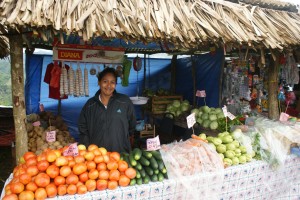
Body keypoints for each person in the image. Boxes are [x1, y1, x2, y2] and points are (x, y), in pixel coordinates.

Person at [78, 67, 136, 152]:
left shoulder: (124, 102)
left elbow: (132, 125)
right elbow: (83, 129)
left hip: (120, 154)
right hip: (97, 157)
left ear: (116, 84)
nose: (109, 85)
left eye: (112, 82)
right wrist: (88, 150)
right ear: (99, 82)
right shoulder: (90, 105)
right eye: (105, 81)